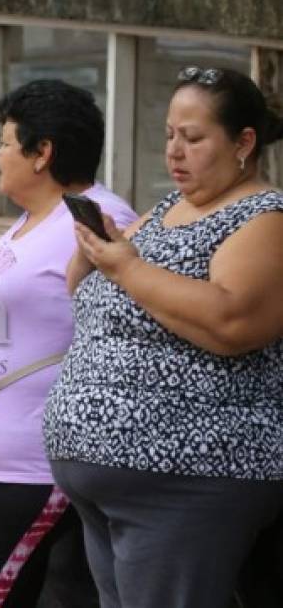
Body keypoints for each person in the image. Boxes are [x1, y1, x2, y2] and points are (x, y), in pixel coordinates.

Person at [43, 66, 283, 608]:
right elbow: (90, 290)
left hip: (189, 471)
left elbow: (233, 323)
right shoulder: (169, 208)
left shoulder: (265, 216)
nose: (175, 152)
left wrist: (126, 267)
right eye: (170, 135)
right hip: (110, 474)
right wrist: (92, 252)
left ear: (244, 142)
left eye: (194, 138)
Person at [0, 80, 137, 608]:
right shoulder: (32, 218)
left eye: (6, 142)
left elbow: (129, 340)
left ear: (42, 152)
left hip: (32, 466)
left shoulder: (102, 221)